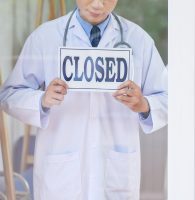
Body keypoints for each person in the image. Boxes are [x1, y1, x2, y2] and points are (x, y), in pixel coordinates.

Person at [0, 0, 167, 199]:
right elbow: (10, 94)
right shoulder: (45, 37)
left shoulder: (139, 40)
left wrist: (144, 105)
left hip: (115, 173)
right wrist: (42, 100)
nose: (98, 4)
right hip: (61, 176)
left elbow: (169, 98)